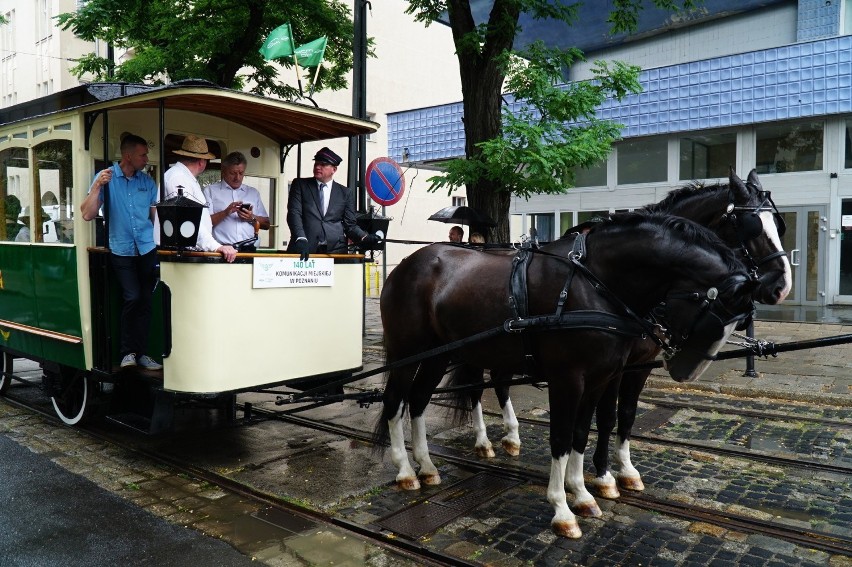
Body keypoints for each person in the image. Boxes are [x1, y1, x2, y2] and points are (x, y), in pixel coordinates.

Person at [80, 133, 163, 370]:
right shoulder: (106, 178)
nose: (147, 158)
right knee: (133, 297)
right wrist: (97, 186)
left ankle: (143, 354)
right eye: (143, 154)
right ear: (128, 156)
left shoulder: (146, 182)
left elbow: (155, 217)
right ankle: (128, 353)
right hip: (121, 250)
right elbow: (87, 213)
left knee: (146, 300)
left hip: (147, 248)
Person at [286, 147, 381, 261]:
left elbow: (350, 225)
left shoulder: (345, 193)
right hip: (304, 249)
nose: (317, 167)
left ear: (334, 169)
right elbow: (294, 213)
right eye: (316, 163)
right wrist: (300, 238)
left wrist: (364, 236)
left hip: (335, 252)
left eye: (323, 164)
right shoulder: (300, 185)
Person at [158, 134, 237, 263]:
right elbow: (188, 219)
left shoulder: (182, 177)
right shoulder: (178, 178)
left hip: (185, 250)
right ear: (201, 162)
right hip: (181, 253)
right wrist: (216, 246)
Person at [203, 151, 270, 251]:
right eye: (233, 173)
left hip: (249, 249)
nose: (237, 178)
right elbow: (204, 223)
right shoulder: (210, 191)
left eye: (241, 173)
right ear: (224, 171)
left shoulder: (253, 192)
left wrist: (251, 217)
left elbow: (266, 224)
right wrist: (226, 212)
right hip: (222, 249)